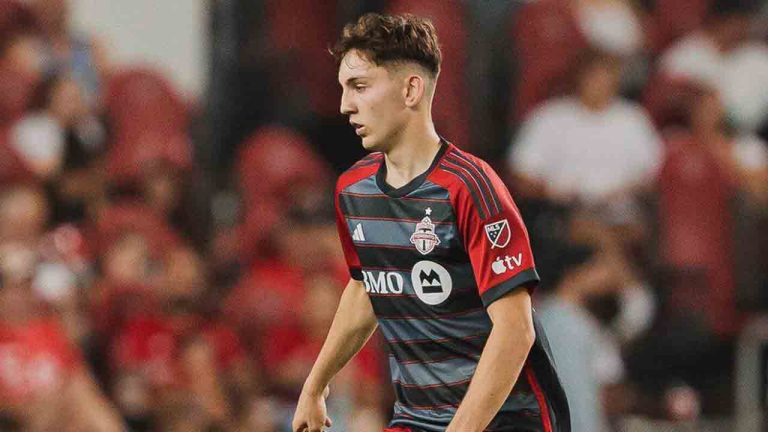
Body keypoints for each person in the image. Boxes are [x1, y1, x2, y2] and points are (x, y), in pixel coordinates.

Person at [292, 13, 570, 432]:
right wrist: (316, 385)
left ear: (411, 89)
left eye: (360, 86)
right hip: (417, 417)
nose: (345, 105)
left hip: (508, 419)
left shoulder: (470, 187)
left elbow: (516, 330)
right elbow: (367, 286)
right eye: (344, 89)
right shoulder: (354, 190)